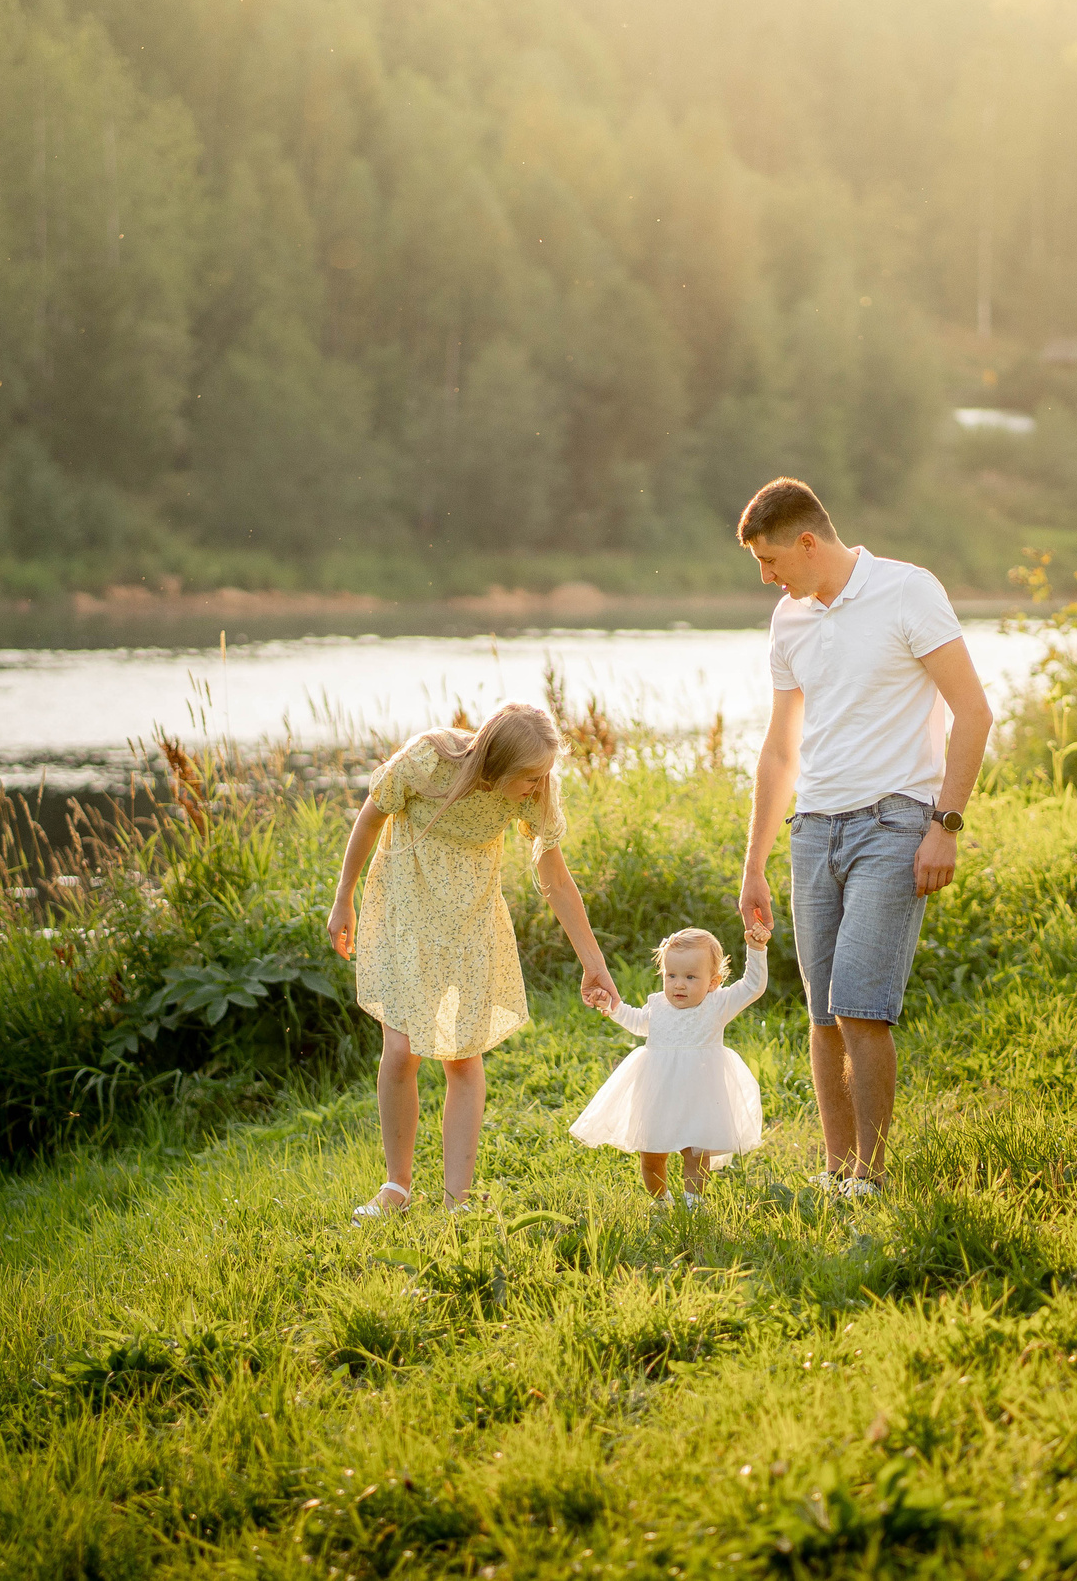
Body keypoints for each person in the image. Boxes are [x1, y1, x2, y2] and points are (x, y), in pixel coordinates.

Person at [734, 477, 994, 1197]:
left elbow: (973, 712)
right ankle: (837, 1169)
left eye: (770, 560)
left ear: (808, 542)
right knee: (822, 1013)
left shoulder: (907, 591)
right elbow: (780, 750)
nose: (767, 577)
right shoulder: (789, 621)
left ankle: (872, 1177)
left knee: (859, 1005)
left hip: (894, 823)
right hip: (813, 830)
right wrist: (754, 862)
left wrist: (945, 825)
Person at [327, 702, 617, 1217]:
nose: (540, 784)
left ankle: (457, 1198)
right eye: (530, 775)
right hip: (406, 910)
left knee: (462, 1055)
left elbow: (554, 877)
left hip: (469, 921)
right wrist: (343, 895)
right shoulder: (429, 760)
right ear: (495, 764)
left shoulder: (535, 793)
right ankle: (397, 1185)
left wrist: (592, 961)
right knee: (402, 1050)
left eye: (545, 773)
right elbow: (371, 815)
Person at [567, 922, 773, 1207]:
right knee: (651, 1154)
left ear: (712, 982)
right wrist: (609, 1005)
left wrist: (756, 948)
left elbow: (753, 986)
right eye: (671, 975)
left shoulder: (717, 1005)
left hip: (700, 1095)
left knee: (696, 1153)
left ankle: (692, 1205)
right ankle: (661, 1201)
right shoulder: (658, 1005)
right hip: (659, 1094)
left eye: (690, 977)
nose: (678, 984)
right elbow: (634, 1020)